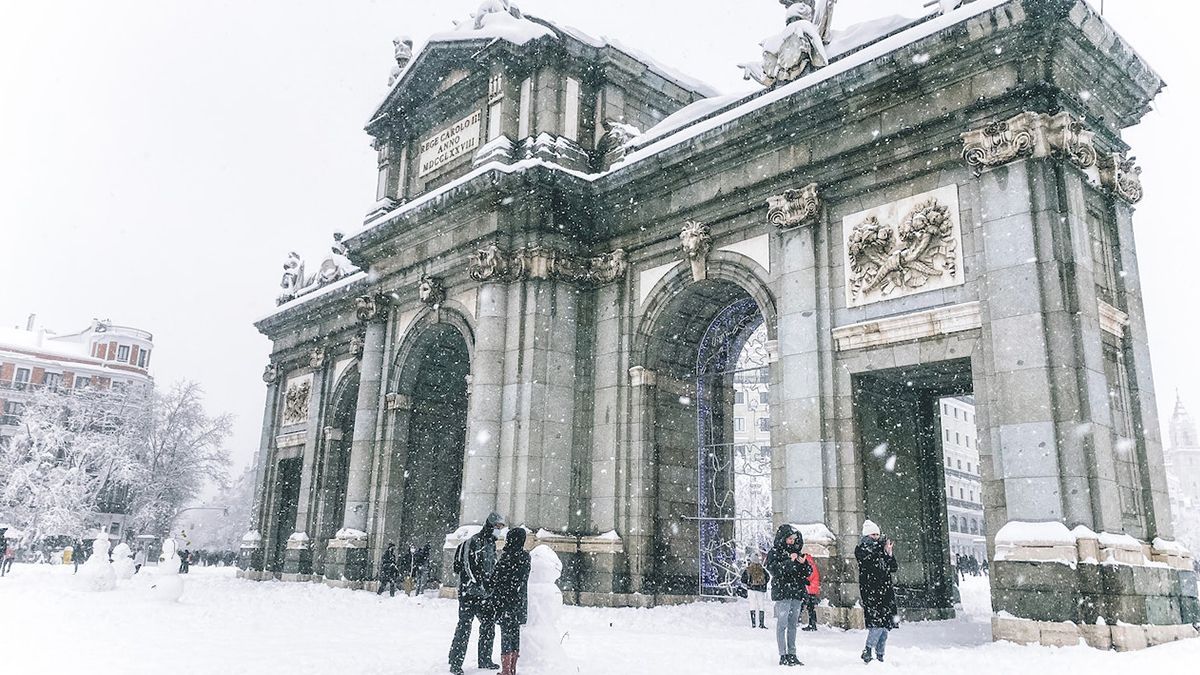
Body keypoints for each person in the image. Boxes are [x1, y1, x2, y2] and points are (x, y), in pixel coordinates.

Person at [449, 511, 506, 675]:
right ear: (490, 525)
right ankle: (455, 663)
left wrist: (490, 586)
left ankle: (485, 659)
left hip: (484, 594)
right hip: (469, 593)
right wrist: (480, 583)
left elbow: (491, 567)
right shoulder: (474, 541)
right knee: (464, 627)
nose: (499, 530)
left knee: (488, 625)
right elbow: (468, 566)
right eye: (497, 526)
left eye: (501, 527)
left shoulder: (490, 543)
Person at [766, 524, 812, 667]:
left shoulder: (797, 552)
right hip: (783, 592)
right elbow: (774, 570)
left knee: (793, 624)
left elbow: (807, 572)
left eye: (794, 539)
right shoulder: (775, 552)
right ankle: (783, 654)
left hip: (796, 592)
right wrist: (789, 561)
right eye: (789, 539)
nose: (792, 541)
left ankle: (792, 653)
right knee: (782, 623)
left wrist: (803, 564)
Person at [856, 519, 898, 664]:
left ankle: (880, 654)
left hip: (885, 592)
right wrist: (881, 548)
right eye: (873, 535)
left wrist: (889, 553)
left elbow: (893, 567)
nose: (876, 537)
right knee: (877, 624)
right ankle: (868, 649)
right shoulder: (862, 549)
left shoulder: (881, 549)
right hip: (871, 592)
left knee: (885, 626)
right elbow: (870, 563)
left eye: (877, 535)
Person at [489, 528, 530, 675]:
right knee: (515, 633)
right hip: (519, 602)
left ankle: (506, 670)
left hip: (505, 603)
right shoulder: (526, 557)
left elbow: (495, 580)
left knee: (506, 635)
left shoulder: (507, 557)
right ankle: (512, 668)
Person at [740, 553, 771, 629]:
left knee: (752, 606)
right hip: (760, 590)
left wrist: (748, 584)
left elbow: (742, 579)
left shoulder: (748, 569)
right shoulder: (762, 569)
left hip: (751, 589)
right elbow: (768, 577)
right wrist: (763, 584)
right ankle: (761, 624)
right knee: (761, 606)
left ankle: (753, 624)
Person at [800, 550, 820, 631]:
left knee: (809, 607)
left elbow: (810, 575)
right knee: (810, 607)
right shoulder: (811, 562)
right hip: (812, 588)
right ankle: (812, 624)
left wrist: (803, 578)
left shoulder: (808, 563)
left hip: (810, 588)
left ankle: (812, 625)